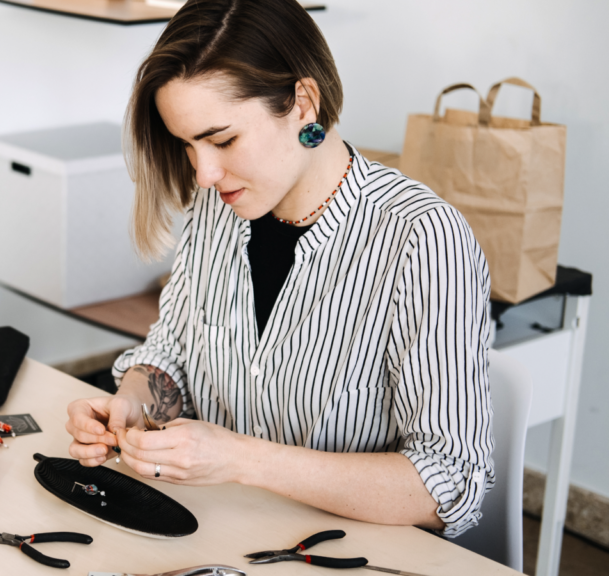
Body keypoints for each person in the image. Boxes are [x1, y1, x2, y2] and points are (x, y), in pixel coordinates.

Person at [65, 0, 494, 537]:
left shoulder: (422, 240)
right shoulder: (219, 207)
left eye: (222, 140)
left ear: (303, 103)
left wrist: (243, 460)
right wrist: (128, 404)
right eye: (188, 145)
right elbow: (170, 353)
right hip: (219, 533)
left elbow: (448, 484)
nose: (204, 173)